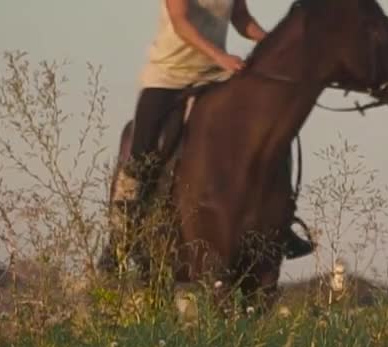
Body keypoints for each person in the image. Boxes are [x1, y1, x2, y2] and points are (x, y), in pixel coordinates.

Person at [110, 0, 315, 266]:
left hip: (215, 76)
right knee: (142, 155)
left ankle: (281, 222)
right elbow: (181, 23)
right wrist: (220, 56)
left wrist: (272, 43)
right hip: (168, 77)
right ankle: (122, 235)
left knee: (265, 131)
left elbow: (241, 18)